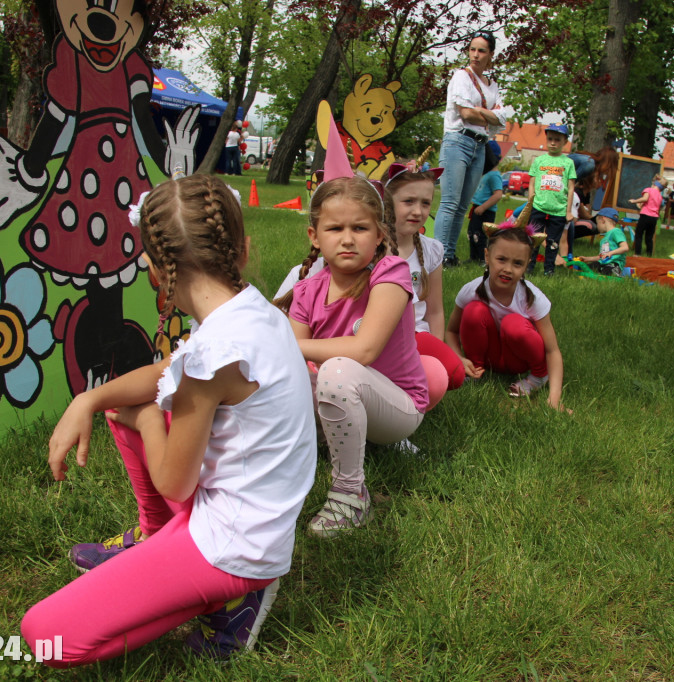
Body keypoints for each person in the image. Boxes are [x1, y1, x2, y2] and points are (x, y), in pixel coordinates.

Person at [23, 174, 317, 666]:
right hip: (256, 518)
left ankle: (234, 600)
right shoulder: (252, 311)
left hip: (234, 547)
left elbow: (175, 484)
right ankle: (156, 541)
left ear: (156, 271)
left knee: (45, 636)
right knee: (128, 402)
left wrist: (147, 423)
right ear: (241, 251)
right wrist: (88, 400)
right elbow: (165, 373)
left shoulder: (212, 357)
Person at [280, 177, 429, 536]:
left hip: (399, 406)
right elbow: (290, 365)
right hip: (344, 394)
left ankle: (350, 494)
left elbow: (365, 349)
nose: (347, 238)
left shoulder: (390, 272)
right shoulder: (305, 291)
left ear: (379, 235)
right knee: (290, 378)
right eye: (335, 228)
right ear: (314, 236)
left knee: (338, 370)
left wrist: (283, 343)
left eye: (360, 227)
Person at [445, 224, 569, 409]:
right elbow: (451, 331)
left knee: (514, 324)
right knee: (474, 311)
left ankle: (538, 377)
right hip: (488, 359)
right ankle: (475, 371)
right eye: (501, 259)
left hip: (517, 360)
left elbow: (552, 351)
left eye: (517, 263)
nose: (508, 269)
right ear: (487, 256)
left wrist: (554, 398)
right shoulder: (472, 290)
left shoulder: (532, 298)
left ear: (527, 264)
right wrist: (460, 360)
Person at [386, 164, 466, 392]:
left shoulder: (432, 250)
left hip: (417, 334)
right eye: (408, 201)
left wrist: (437, 348)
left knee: (452, 373)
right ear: (387, 201)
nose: (418, 211)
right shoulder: (372, 246)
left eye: (425, 203)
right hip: (380, 334)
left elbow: (435, 310)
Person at [433, 29, 508, 268]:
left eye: (481, 51)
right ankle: (439, 256)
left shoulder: (492, 85)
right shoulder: (461, 77)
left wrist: (484, 116)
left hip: (480, 145)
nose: (475, 55)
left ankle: (450, 255)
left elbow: (502, 120)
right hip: (458, 141)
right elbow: (465, 114)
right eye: (472, 49)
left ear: (491, 55)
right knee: (449, 202)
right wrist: (491, 116)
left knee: (463, 205)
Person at [527, 124, 576, 273]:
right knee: (534, 238)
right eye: (550, 139)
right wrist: (530, 203)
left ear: (565, 142)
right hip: (539, 207)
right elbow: (532, 183)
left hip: (558, 210)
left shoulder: (568, 163)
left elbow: (571, 188)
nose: (553, 143)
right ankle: (529, 267)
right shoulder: (539, 161)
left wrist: (568, 211)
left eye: (557, 140)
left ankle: (549, 269)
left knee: (553, 241)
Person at [467, 141, 504, 263]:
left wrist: (483, 207)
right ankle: (473, 257)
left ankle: (483, 259)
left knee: (480, 235)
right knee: (472, 233)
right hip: (477, 209)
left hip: (485, 211)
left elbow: (498, 195)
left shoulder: (494, 175)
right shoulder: (486, 174)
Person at [578, 207, 629, 276]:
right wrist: (587, 258)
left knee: (607, 271)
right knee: (587, 267)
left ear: (602, 220)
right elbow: (602, 256)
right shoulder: (604, 239)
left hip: (614, 264)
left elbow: (625, 247)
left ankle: (616, 272)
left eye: (597, 223)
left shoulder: (616, 231)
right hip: (602, 263)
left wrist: (611, 253)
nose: (597, 226)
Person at [629, 175, 663, 256]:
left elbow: (645, 198)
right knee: (649, 237)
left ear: (654, 184)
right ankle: (649, 254)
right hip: (654, 218)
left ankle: (637, 253)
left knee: (639, 234)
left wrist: (634, 201)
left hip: (645, 215)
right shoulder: (660, 195)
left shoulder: (649, 190)